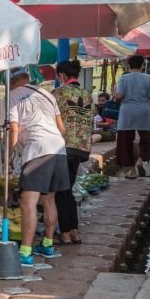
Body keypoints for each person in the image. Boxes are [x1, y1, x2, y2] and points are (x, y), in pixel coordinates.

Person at [7, 67, 68, 266]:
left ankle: (25, 252)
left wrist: (8, 156)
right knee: (49, 199)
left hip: (37, 149)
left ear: (15, 81)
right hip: (58, 148)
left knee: (28, 202)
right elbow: (61, 128)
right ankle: (48, 245)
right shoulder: (47, 94)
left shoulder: (13, 95)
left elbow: (13, 130)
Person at [52, 60, 93, 245]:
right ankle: (74, 231)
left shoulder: (58, 94)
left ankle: (66, 233)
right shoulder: (88, 95)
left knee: (62, 191)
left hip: (63, 146)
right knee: (67, 189)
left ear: (61, 76)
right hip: (81, 148)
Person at [114, 54, 150, 178]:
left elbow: (119, 96)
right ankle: (140, 161)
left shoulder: (124, 78)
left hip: (127, 112)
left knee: (125, 141)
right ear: (143, 65)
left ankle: (132, 169)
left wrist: (114, 93)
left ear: (128, 65)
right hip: (144, 111)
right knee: (146, 139)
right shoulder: (148, 78)